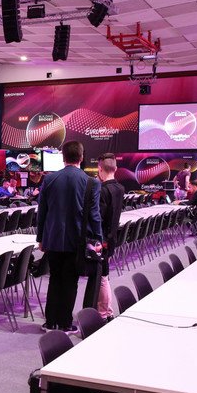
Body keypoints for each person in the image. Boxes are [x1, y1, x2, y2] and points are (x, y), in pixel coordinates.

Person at [36, 140, 102, 333]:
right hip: (77, 241)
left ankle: (50, 322)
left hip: (52, 239)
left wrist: (41, 238)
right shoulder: (91, 182)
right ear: (81, 157)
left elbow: (42, 212)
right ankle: (65, 323)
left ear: (63, 157)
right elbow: (94, 215)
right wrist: (98, 239)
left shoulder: (49, 179)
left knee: (55, 279)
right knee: (71, 282)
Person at [83, 154, 125, 319]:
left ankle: (103, 313)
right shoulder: (120, 188)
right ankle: (107, 311)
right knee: (104, 275)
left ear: (100, 169)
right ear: (115, 168)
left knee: (101, 277)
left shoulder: (102, 190)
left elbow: (98, 218)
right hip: (112, 237)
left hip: (101, 240)